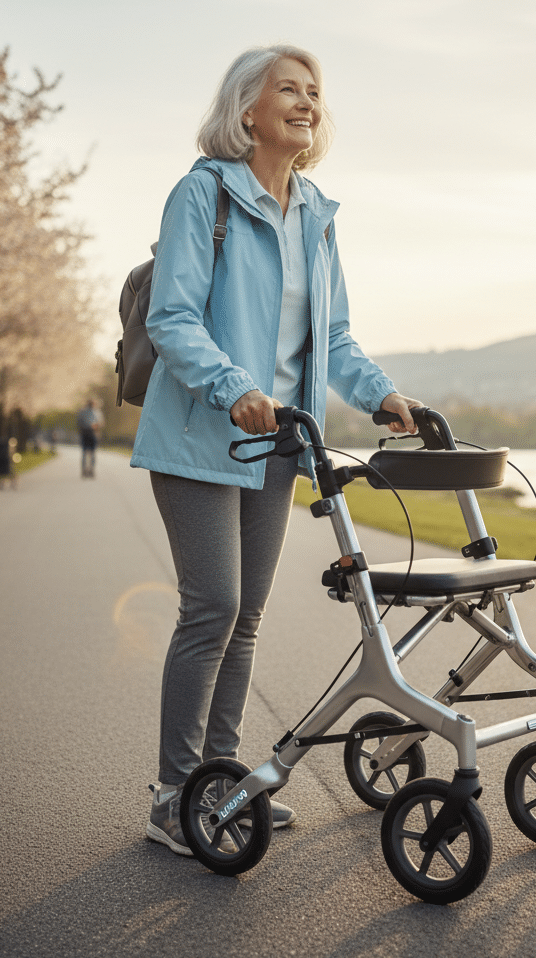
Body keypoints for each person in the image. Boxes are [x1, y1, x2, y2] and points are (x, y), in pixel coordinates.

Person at [129, 45, 420, 856]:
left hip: (281, 443)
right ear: (246, 111)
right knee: (213, 608)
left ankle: (222, 785)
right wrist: (234, 388)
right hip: (203, 433)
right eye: (287, 89)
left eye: (314, 91)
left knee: (246, 618)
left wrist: (380, 394)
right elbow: (172, 318)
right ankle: (173, 795)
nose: (306, 102)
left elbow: (333, 337)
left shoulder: (316, 213)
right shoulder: (202, 194)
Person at [76, 399, 103, 477]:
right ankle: (90, 470)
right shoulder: (97, 412)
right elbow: (101, 423)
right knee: (91, 453)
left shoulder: (82, 412)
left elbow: (79, 423)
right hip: (91, 434)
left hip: (87, 434)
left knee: (86, 453)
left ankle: (86, 470)